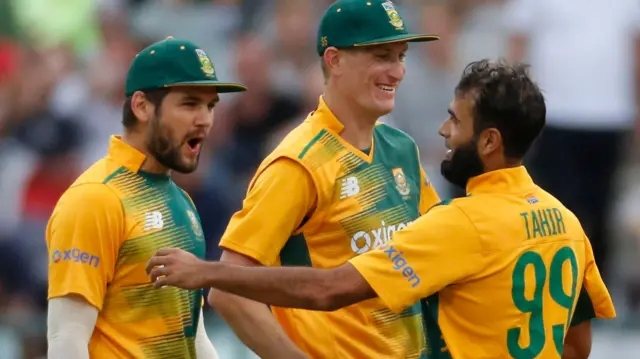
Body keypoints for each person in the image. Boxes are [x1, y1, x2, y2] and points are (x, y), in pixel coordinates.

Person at [147, 59, 617, 359]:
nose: (443, 131)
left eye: (455, 120)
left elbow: (331, 288)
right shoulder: (566, 221)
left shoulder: (461, 223)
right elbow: (577, 346)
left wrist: (208, 273)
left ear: (489, 141)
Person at [204, 0, 441, 358]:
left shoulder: (401, 149)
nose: (397, 72)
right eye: (381, 56)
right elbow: (227, 290)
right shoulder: (299, 162)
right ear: (334, 60)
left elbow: (436, 255)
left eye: (401, 56)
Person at [46, 37, 247, 359]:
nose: (205, 120)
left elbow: (192, 335)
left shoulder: (181, 200)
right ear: (141, 106)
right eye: (189, 104)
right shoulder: (95, 198)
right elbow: (66, 337)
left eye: (210, 106)